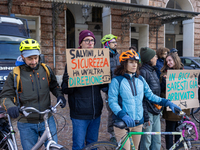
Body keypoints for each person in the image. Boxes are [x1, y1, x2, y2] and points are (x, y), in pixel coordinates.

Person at [108, 49, 182, 150]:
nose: (134, 65)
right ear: (124, 64)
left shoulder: (140, 80)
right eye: (131, 62)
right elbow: (112, 101)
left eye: (136, 63)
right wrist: (122, 115)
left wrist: (168, 103)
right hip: (123, 122)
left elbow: (151, 96)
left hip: (138, 122)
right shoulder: (117, 81)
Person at [0, 39, 66, 150]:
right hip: (26, 122)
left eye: (36, 57)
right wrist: (10, 106)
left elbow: (54, 86)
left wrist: (60, 95)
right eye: (30, 59)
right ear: (22, 57)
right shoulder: (15, 74)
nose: (34, 61)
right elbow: (5, 95)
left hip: (47, 119)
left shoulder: (46, 69)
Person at [61, 30, 105, 150]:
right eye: (87, 40)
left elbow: (103, 87)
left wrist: (106, 78)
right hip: (79, 113)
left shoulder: (98, 60)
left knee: (93, 144)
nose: (90, 43)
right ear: (81, 43)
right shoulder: (72, 62)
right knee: (79, 146)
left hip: (96, 111)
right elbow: (65, 90)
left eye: (92, 40)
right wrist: (69, 81)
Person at [160, 53, 190, 150]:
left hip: (182, 107)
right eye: (166, 61)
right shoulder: (164, 74)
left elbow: (188, 88)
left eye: (170, 60)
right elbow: (162, 91)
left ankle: (178, 148)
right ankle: (170, 148)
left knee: (180, 131)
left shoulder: (184, 72)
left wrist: (194, 86)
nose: (168, 63)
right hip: (171, 108)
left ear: (175, 60)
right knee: (169, 131)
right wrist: (166, 82)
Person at [139, 47, 163, 150]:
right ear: (149, 59)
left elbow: (156, 89)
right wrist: (145, 115)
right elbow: (143, 97)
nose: (157, 58)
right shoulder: (143, 72)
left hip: (156, 109)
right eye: (154, 56)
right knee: (147, 139)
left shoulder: (153, 70)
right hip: (148, 111)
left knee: (157, 138)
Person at [100, 33, 120, 143]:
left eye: (115, 42)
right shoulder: (102, 56)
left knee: (119, 109)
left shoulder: (117, 55)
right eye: (113, 42)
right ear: (107, 44)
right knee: (111, 111)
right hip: (109, 89)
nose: (115, 43)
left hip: (119, 88)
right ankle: (112, 133)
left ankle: (119, 131)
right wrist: (105, 87)